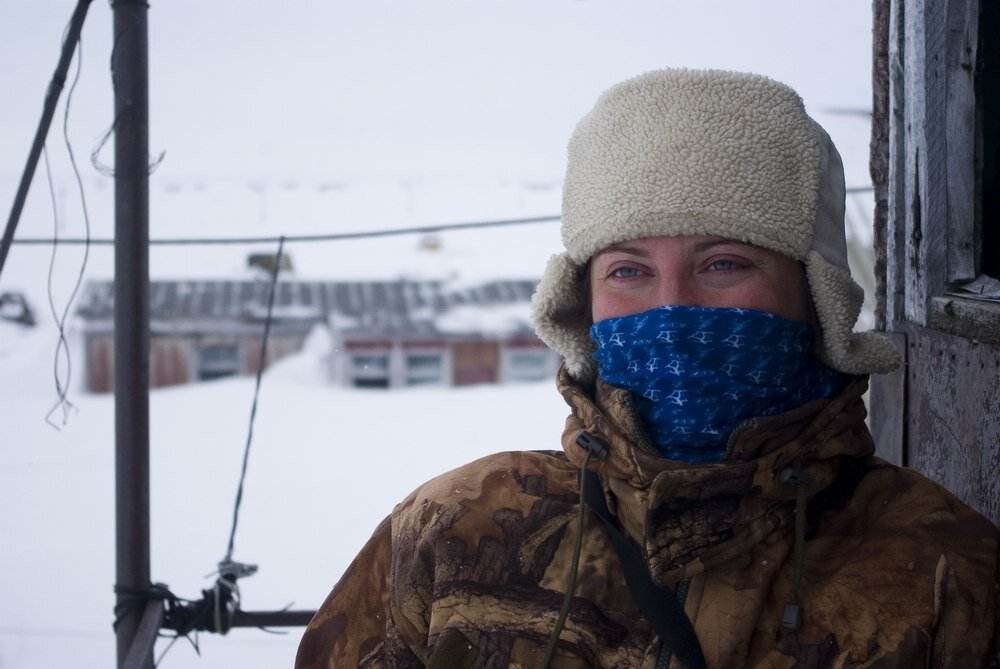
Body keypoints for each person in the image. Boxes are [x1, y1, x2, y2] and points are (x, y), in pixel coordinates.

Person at [295, 69, 999, 668]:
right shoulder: (456, 531)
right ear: (581, 304)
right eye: (629, 270)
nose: (673, 307)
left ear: (814, 295)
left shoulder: (949, 571)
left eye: (724, 264)